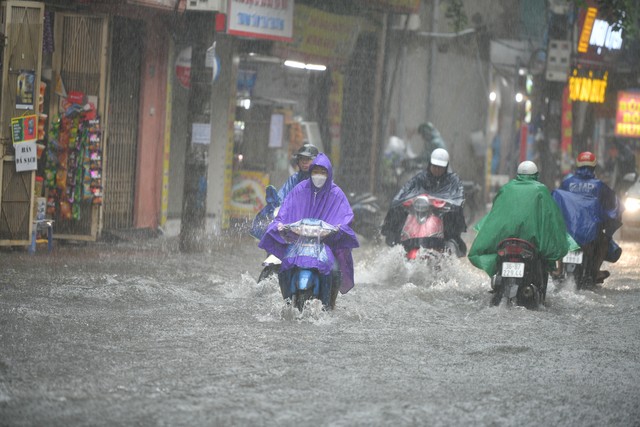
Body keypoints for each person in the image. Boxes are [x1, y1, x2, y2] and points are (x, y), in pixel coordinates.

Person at [258, 153, 359, 307]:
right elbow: (285, 209)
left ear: (329, 173)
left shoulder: (336, 194)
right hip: (299, 242)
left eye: (323, 172)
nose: (319, 176)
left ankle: (330, 304)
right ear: (310, 172)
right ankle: (286, 302)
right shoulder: (300, 189)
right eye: (316, 172)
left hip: (325, 243)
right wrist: (279, 223)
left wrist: (340, 227)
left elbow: (346, 215)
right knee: (284, 266)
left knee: (334, 270)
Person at [468, 161, 575, 278]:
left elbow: (496, 212)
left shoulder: (506, 188)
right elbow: (551, 216)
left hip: (506, 241)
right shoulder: (541, 190)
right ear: (536, 175)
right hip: (531, 245)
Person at [552, 151, 623, 285]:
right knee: (605, 240)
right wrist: (607, 227)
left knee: (562, 238)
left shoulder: (567, 183)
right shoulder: (599, 185)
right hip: (590, 235)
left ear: (577, 166)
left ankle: (559, 269)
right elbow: (613, 208)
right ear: (594, 167)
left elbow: (557, 204)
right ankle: (595, 271)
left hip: (570, 232)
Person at [381, 148, 467, 256]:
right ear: (430, 164)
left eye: (440, 167)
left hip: (443, 219)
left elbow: (458, 197)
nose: (437, 170)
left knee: (451, 233)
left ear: (445, 167)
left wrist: (448, 206)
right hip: (418, 216)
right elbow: (404, 192)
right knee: (398, 217)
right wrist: (402, 201)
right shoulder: (420, 178)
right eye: (434, 166)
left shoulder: (453, 181)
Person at [249, 143, 319, 240]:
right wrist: (275, 203)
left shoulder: (321, 180)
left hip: (317, 228)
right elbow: (283, 196)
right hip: (294, 226)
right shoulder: (294, 179)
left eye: (308, 159)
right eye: (302, 159)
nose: (304, 162)